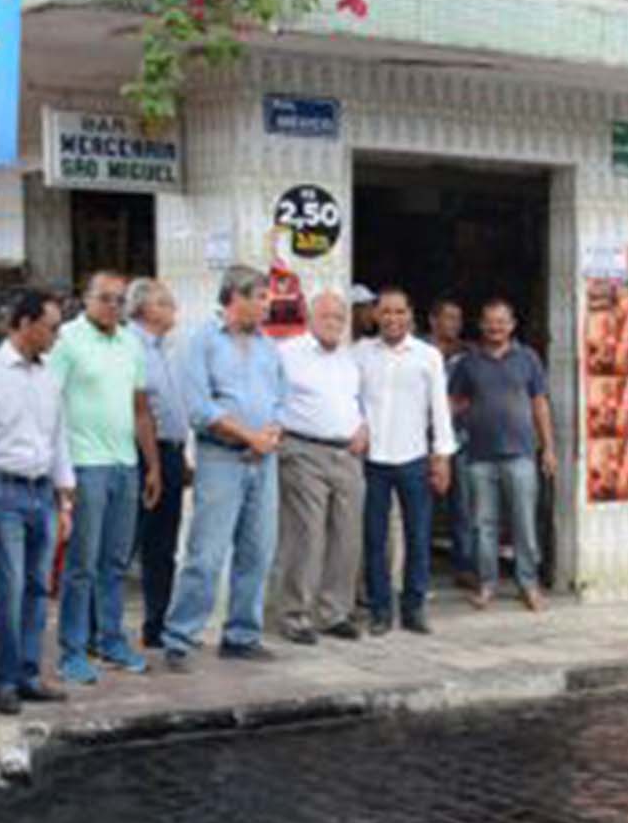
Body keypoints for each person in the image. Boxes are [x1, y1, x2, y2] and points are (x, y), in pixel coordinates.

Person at [161, 266, 286, 670]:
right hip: (221, 458)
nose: (268, 305)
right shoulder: (203, 342)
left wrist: (269, 435)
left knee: (257, 551)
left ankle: (241, 634)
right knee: (206, 554)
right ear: (236, 297)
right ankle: (180, 637)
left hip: (263, 460)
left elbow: (282, 400)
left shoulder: (269, 347)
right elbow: (200, 408)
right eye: (261, 297)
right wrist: (249, 436)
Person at [0, 291, 75, 717]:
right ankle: (5, 678)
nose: (55, 337)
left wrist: (65, 500)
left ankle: (28, 673)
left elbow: (58, 437)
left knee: (38, 586)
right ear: (26, 324)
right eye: (51, 327)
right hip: (1, 488)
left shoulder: (49, 376)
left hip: (40, 488)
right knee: (7, 588)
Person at [48, 271, 160, 683]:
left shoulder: (131, 342)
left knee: (115, 562)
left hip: (125, 464)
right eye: (105, 298)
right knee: (82, 564)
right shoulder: (67, 340)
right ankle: (72, 650)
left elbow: (140, 408)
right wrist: (60, 474)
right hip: (84, 465)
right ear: (86, 298)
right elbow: (50, 404)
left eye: (119, 300)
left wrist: (152, 466)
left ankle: (111, 640)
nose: (113, 306)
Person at [446, 298, 557, 612]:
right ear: (481, 325)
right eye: (490, 322)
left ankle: (528, 584)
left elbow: (539, 404)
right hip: (479, 456)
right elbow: (455, 403)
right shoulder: (469, 363)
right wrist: (444, 440)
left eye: (502, 321)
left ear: (512, 325)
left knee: (524, 522)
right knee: (483, 525)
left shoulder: (528, 359)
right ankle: (487, 584)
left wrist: (548, 447)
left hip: (520, 455)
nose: (496, 327)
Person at [273, 291, 370, 645]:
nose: (333, 323)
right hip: (303, 451)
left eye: (339, 318)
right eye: (326, 316)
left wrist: (363, 426)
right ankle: (296, 614)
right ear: (310, 318)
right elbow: (271, 398)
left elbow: (356, 402)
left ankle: (335, 612)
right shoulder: (287, 354)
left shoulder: (348, 360)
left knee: (347, 537)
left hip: (346, 454)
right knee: (307, 536)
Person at [355, 286, 453, 636]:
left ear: (411, 316)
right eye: (386, 312)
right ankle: (381, 610)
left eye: (399, 312)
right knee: (375, 538)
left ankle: (414, 607)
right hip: (373, 460)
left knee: (417, 534)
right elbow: (350, 400)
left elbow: (439, 409)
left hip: (413, 457)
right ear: (375, 316)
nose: (393, 319)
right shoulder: (361, 354)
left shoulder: (428, 356)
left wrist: (441, 455)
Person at [126, 278, 188, 649]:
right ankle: (100, 629)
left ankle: (157, 625)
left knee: (162, 545)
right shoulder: (131, 346)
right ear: (146, 308)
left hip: (171, 450)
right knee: (130, 542)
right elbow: (140, 410)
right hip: (143, 451)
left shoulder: (164, 348)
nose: (173, 309)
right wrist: (153, 465)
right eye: (165, 303)